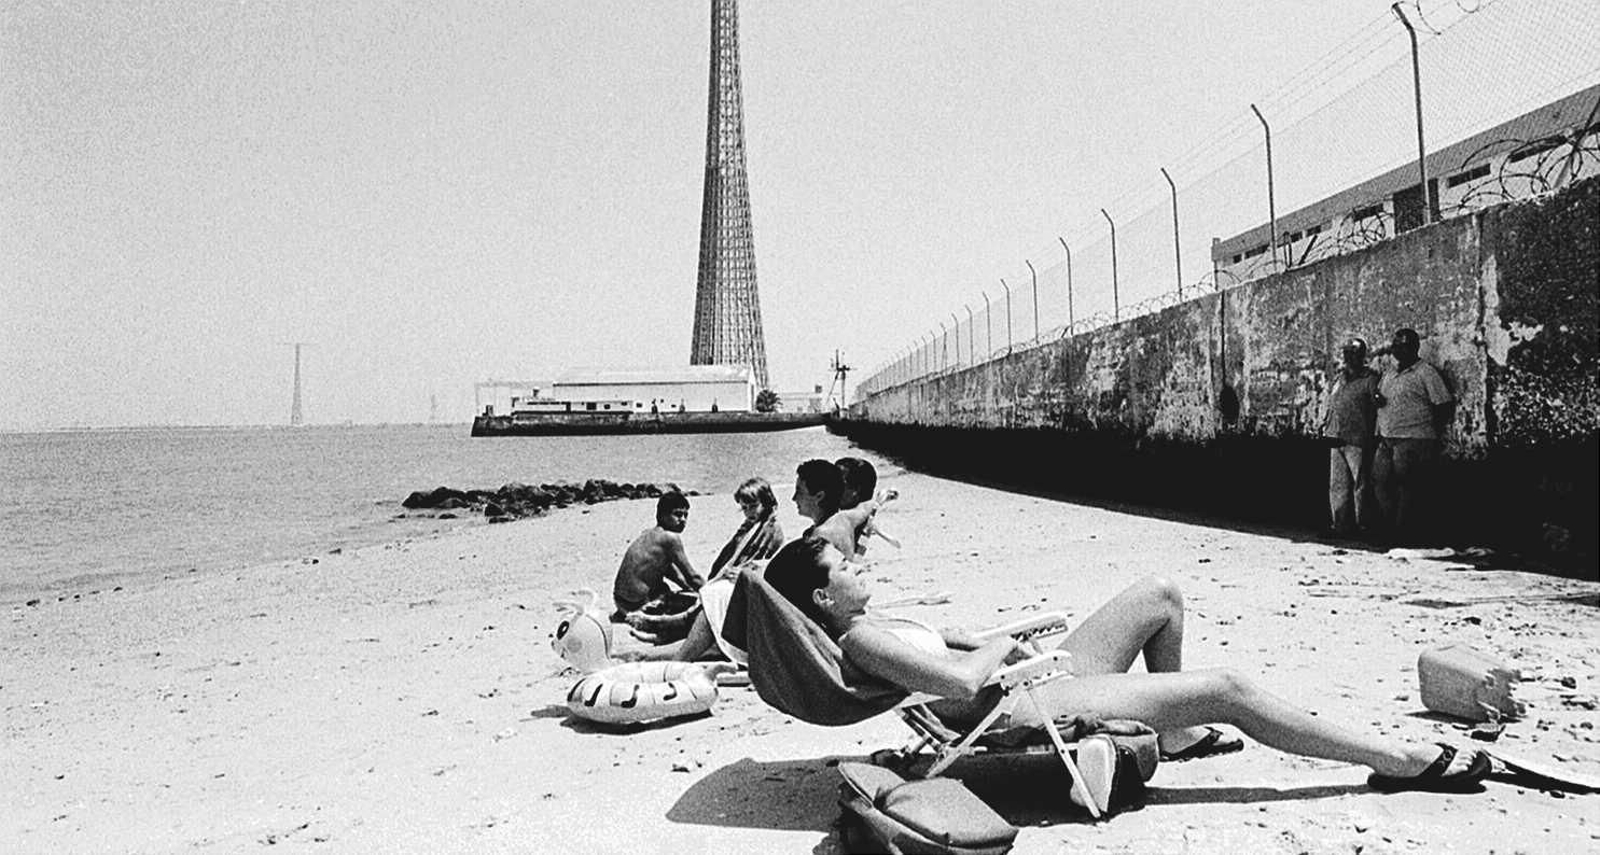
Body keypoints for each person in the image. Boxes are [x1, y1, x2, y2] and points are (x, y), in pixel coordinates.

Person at [765, 535, 1492, 793]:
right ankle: (1393, 759)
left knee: (1160, 593)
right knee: (1230, 687)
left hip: (1033, 676)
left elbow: (957, 648)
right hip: (1024, 702)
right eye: (844, 567)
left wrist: (1008, 634)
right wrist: (1007, 649)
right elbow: (959, 680)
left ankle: (1173, 733)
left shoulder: (872, 625)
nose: (858, 564)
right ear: (824, 597)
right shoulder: (862, 641)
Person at [621, 477, 785, 660]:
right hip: (732, 578)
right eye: (744, 508)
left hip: (745, 584)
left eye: (753, 506)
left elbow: (767, 566)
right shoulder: (750, 527)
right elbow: (729, 557)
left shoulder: (771, 531)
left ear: (766, 502)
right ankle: (666, 635)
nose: (748, 512)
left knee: (708, 598)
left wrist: (739, 574)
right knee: (700, 596)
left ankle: (664, 631)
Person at [1372, 328, 1455, 543]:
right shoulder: (1389, 373)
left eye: (1402, 346)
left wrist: (1425, 429)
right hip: (1387, 437)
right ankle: (1389, 527)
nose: (1397, 350)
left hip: (1414, 438)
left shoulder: (1426, 372)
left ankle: (1402, 533)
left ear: (1414, 348)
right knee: (1380, 482)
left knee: (1407, 486)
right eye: (1395, 346)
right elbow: (1380, 395)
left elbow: (1443, 403)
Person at [610, 491, 704, 623]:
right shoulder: (670, 538)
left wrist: (687, 587)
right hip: (636, 604)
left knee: (665, 588)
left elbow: (670, 571)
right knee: (695, 607)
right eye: (677, 514)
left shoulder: (648, 534)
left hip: (620, 600)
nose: (683, 520)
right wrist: (711, 592)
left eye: (685, 515)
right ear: (662, 516)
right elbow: (692, 576)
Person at [1321, 337, 1380, 535]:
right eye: (1347, 353)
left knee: (1361, 484)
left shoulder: (1370, 379)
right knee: (1338, 485)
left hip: (1358, 438)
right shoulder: (1340, 378)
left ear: (1362, 356)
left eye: (1353, 353)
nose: (1349, 357)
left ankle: (1363, 525)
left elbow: (1377, 407)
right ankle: (1340, 524)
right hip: (1336, 436)